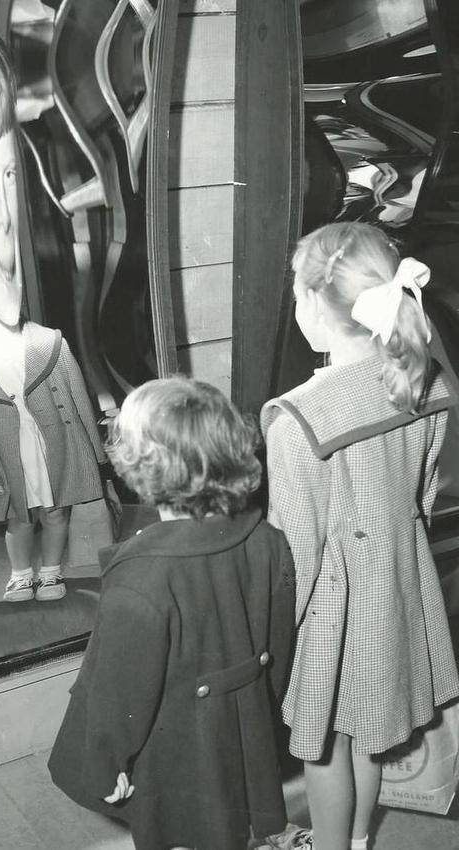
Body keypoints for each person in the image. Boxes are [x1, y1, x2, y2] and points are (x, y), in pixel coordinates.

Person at [260, 221, 459, 850]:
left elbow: (295, 550)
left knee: (323, 744)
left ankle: (327, 844)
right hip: (402, 578)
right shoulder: (425, 383)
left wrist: (274, 635)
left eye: (296, 294)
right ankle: (355, 843)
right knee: (371, 729)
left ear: (317, 305)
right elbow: (424, 494)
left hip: (331, 603)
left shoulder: (295, 418)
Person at [48, 376, 296, 850]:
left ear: (138, 467)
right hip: (244, 729)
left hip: (171, 748)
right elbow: (279, 649)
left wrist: (107, 763)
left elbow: (118, 691)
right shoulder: (268, 541)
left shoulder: (142, 579)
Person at [0, 23, 111, 604]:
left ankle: (51, 569)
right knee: (23, 513)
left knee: (53, 509)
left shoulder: (51, 343)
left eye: (8, 172)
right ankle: (23, 571)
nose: (3, 203)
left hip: (49, 446)